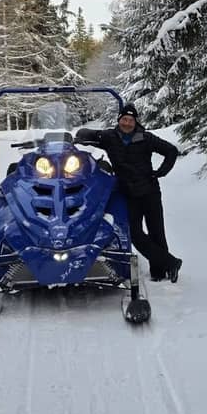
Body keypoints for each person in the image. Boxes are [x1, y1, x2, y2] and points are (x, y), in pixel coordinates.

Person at [75, 104, 183, 283]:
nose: (127, 123)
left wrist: (161, 171)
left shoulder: (146, 138)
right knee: (134, 233)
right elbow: (92, 135)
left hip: (150, 191)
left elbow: (171, 150)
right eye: (124, 119)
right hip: (128, 193)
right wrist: (80, 136)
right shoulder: (110, 137)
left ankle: (159, 272)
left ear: (135, 122)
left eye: (130, 120)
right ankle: (170, 262)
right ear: (119, 120)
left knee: (157, 231)